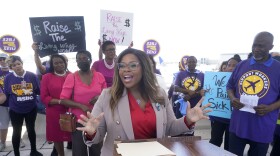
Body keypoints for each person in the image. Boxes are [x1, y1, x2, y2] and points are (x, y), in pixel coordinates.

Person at [76, 48, 211, 156]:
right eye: (121, 66)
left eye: (132, 65)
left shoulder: (159, 94)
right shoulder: (107, 95)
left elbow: (170, 127)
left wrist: (188, 120)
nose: (126, 69)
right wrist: (91, 132)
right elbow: (97, 135)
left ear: (144, 68)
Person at [227, 32, 280, 156]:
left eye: (261, 46)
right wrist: (233, 98)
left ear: (271, 47)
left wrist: (270, 108)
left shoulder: (278, 68)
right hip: (238, 126)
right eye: (254, 45)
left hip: (263, 128)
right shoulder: (241, 65)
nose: (256, 49)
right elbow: (229, 86)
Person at [60, 50, 107, 156]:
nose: (81, 61)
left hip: (96, 121)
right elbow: (63, 100)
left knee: (97, 150)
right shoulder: (71, 77)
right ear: (76, 62)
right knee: (79, 152)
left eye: (84, 58)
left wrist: (99, 97)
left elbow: (106, 95)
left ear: (90, 60)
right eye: (79, 59)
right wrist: (81, 106)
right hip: (78, 121)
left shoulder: (99, 76)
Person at [4, 55, 42, 156]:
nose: (17, 66)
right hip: (15, 110)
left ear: (22, 63)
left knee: (31, 129)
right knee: (17, 131)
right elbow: (7, 93)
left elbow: (38, 90)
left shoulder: (31, 75)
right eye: (14, 65)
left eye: (18, 64)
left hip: (31, 108)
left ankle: (33, 151)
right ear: (11, 67)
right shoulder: (8, 78)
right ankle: (16, 153)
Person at [40, 54, 71, 156]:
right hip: (54, 112)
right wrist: (59, 101)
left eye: (61, 62)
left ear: (65, 63)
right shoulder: (46, 77)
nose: (59, 65)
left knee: (73, 136)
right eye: (56, 63)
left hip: (71, 111)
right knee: (57, 137)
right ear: (52, 65)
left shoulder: (72, 75)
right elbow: (44, 97)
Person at [209, 55, 241, 151]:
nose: (231, 67)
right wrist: (204, 92)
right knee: (215, 141)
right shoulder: (216, 79)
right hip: (218, 117)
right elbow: (210, 93)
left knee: (229, 145)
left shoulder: (242, 81)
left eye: (234, 65)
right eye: (229, 65)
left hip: (233, 119)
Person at [0, 53, 10, 151]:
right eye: (0, 59)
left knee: (16, 123)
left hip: (13, 102)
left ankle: (18, 140)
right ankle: (2, 142)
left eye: (4, 59)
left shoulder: (13, 71)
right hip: (2, 103)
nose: (2, 61)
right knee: (3, 124)